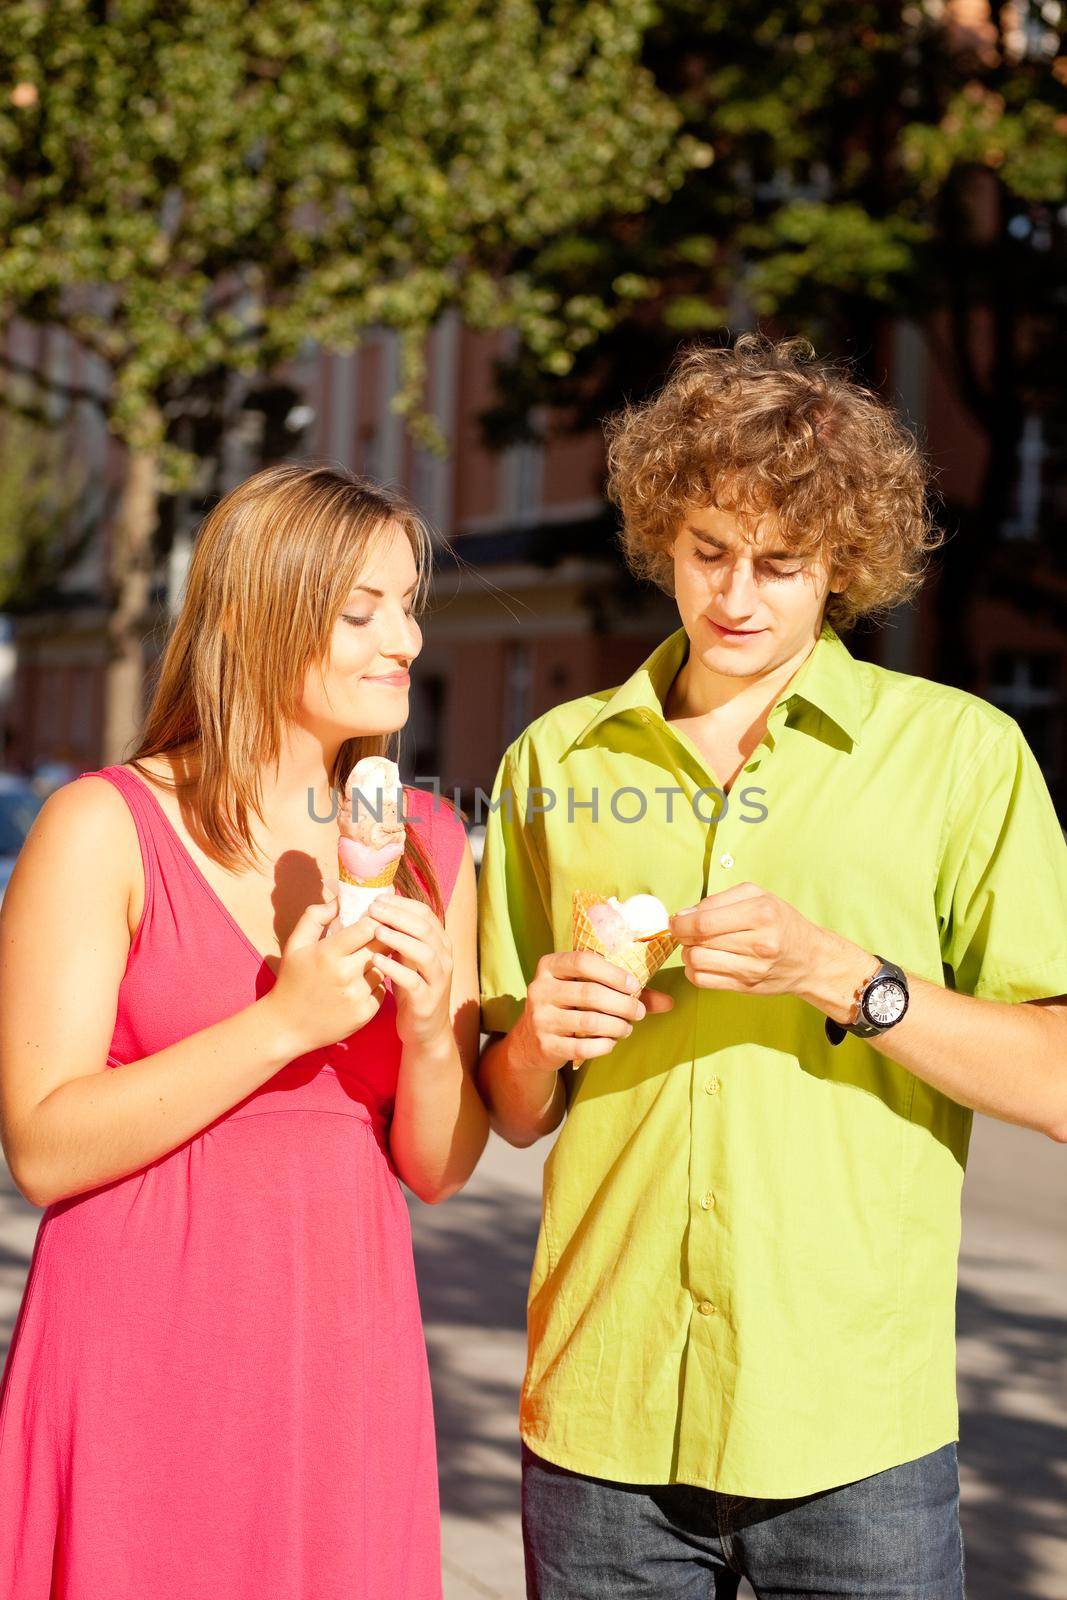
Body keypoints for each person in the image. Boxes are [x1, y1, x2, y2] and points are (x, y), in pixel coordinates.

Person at [476, 334, 1067, 1600]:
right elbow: (512, 1113)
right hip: (598, 1408)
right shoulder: (554, 762)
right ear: (660, 538)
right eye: (705, 554)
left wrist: (845, 975)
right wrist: (537, 1039)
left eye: (780, 564)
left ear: (842, 566)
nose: (735, 596)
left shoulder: (960, 757)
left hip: (851, 1423)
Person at [0, 463, 488, 1599]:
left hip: (341, 1349)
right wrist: (282, 1023)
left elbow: (440, 1167)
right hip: (138, 1343)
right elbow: (41, 1146)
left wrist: (425, 1037)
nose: (403, 639)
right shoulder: (103, 826)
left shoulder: (428, 841)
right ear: (258, 618)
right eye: (361, 610)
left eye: (409, 604)